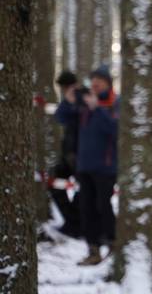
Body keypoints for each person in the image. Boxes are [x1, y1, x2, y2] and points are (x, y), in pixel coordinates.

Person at [76, 65, 119, 266]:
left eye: (99, 81)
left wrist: (98, 109)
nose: (95, 84)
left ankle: (113, 243)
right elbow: (62, 118)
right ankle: (93, 250)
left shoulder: (115, 103)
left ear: (108, 83)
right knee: (86, 208)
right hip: (84, 166)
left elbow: (114, 129)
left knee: (103, 205)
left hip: (106, 167)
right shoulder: (84, 103)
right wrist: (69, 100)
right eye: (93, 81)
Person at [51, 70, 83, 238]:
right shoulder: (68, 101)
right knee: (53, 181)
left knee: (82, 189)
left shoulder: (85, 98)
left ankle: (77, 226)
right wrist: (68, 102)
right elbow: (60, 117)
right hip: (69, 154)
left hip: (84, 154)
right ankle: (72, 223)